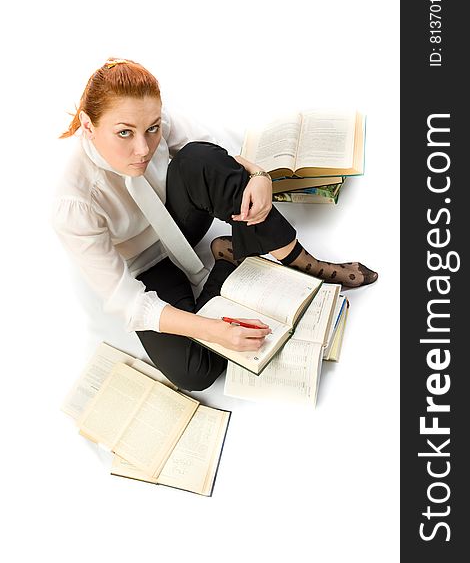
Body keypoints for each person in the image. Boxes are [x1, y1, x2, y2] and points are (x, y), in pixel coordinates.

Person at [52, 58, 377, 392]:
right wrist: (211, 329)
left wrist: (260, 175)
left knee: (195, 159)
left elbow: (214, 158)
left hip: (181, 221)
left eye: (151, 129)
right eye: (124, 133)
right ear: (88, 126)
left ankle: (305, 263)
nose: (143, 148)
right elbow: (127, 302)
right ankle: (227, 258)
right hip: (144, 266)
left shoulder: (153, 121)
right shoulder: (73, 204)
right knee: (194, 371)